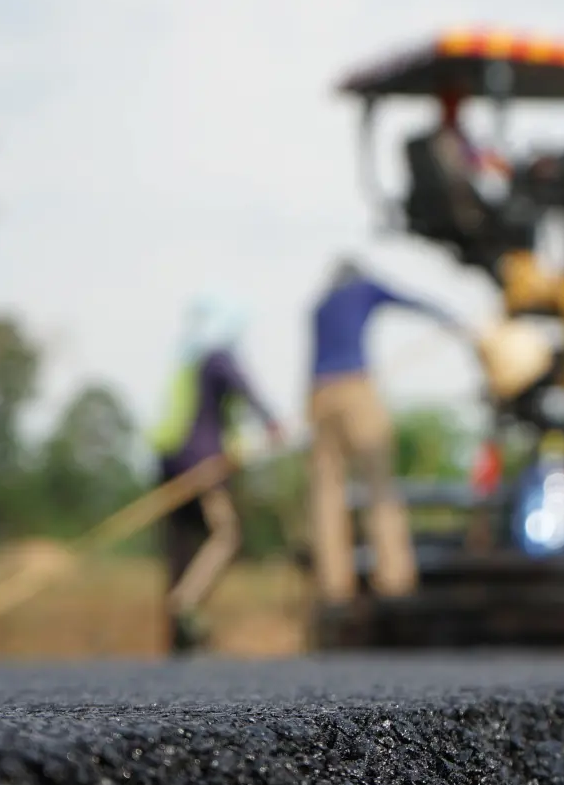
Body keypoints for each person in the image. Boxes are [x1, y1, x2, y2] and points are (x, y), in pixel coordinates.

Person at [307, 257, 474, 609]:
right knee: (380, 486)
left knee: (327, 494)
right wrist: (449, 318)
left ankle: (333, 586)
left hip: (319, 394)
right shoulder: (363, 289)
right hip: (354, 387)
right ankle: (394, 578)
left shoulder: (319, 306)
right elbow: (407, 299)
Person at [150, 294, 284, 655]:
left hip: (170, 461)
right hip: (201, 462)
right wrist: (272, 422)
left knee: (183, 546)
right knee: (226, 535)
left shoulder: (188, 360)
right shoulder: (218, 357)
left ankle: (180, 638)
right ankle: (184, 602)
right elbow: (246, 388)